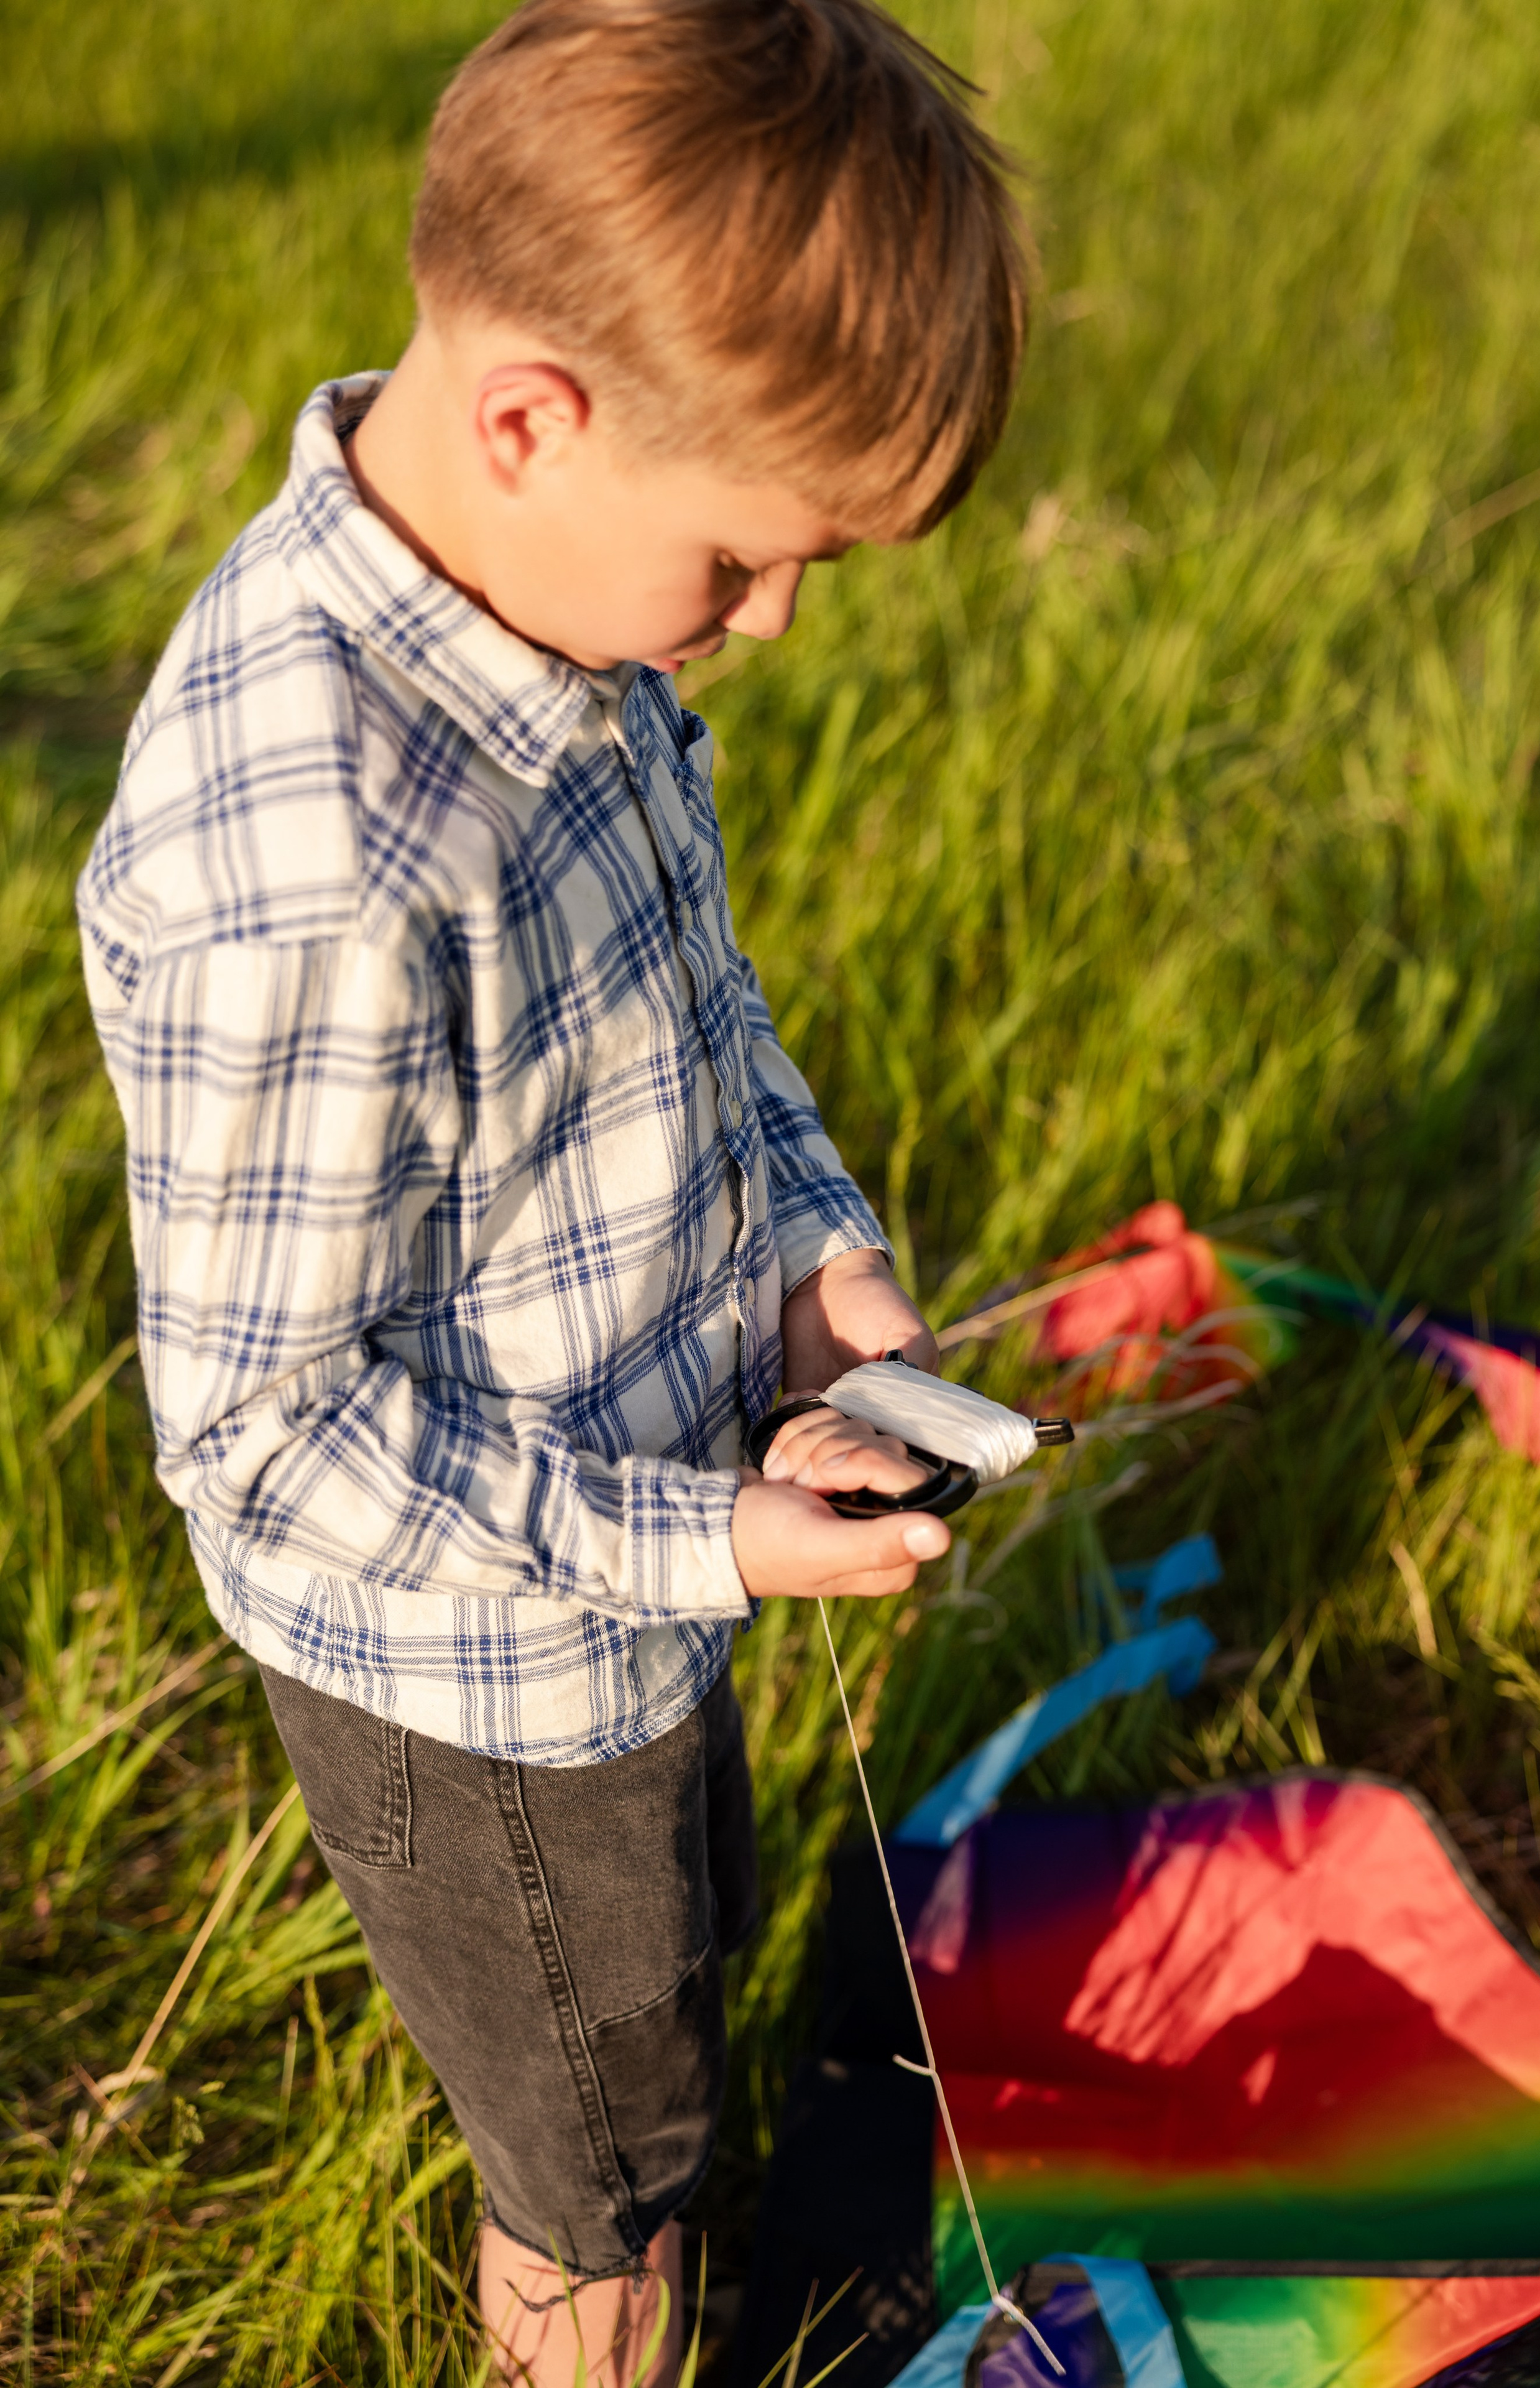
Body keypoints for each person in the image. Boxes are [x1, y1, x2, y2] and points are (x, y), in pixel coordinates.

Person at [76, 1, 1026, 2377]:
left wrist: (815, 1262)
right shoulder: (320, 861)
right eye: (747, 558)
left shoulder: (563, 613)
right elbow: (265, 1430)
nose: (771, 617)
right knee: (599, 2153)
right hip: (482, 1692)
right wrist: (706, 1539)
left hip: (643, 1577)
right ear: (531, 419)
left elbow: (695, 1006)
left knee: (679, 1964)